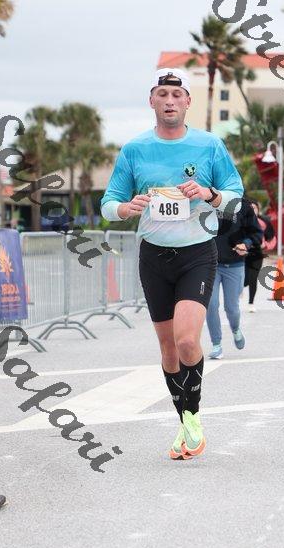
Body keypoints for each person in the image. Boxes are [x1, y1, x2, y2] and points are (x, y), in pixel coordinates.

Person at [101, 68, 243, 460]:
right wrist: (126, 208)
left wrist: (209, 193)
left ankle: (192, 418)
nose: (169, 101)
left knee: (186, 340)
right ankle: (186, 423)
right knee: (167, 348)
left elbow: (235, 200)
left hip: (197, 253)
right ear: (152, 100)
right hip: (154, 256)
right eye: (162, 94)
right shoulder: (135, 149)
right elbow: (109, 202)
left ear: (187, 102)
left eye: (176, 95)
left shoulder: (209, 145)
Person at [206, 197, 263, 359]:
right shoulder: (205, 201)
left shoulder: (244, 206)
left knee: (231, 308)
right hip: (210, 264)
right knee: (211, 304)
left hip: (235, 265)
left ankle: (236, 329)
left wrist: (246, 244)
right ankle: (216, 344)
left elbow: (256, 233)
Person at [244, 199, 276, 312]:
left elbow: (271, 236)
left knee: (253, 278)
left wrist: (265, 244)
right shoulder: (242, 220)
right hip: (243, 253)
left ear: (258, 209)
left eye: (255, 208)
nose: (253, 210)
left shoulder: (264, 221)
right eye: (250, 208)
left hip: (257, 252)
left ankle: (251, 303)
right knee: (245, 280)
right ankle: (240, 288)